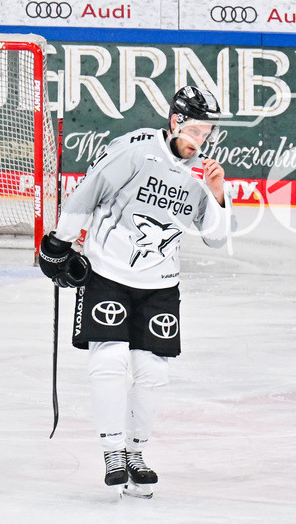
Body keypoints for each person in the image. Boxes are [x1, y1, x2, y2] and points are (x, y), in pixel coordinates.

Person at [38, 86, 233, 496]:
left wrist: (217, 194)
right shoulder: (134, 148)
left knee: (154, 373)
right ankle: (111, 451)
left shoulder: (202, 171)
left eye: (209, 130)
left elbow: (217, 238)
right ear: (176, 121)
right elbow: (90, 191)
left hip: (160, 285)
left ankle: (136, 452)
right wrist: (60, 241)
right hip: (107, 273)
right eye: (198, 128)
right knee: (108, 362)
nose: (204, 137)